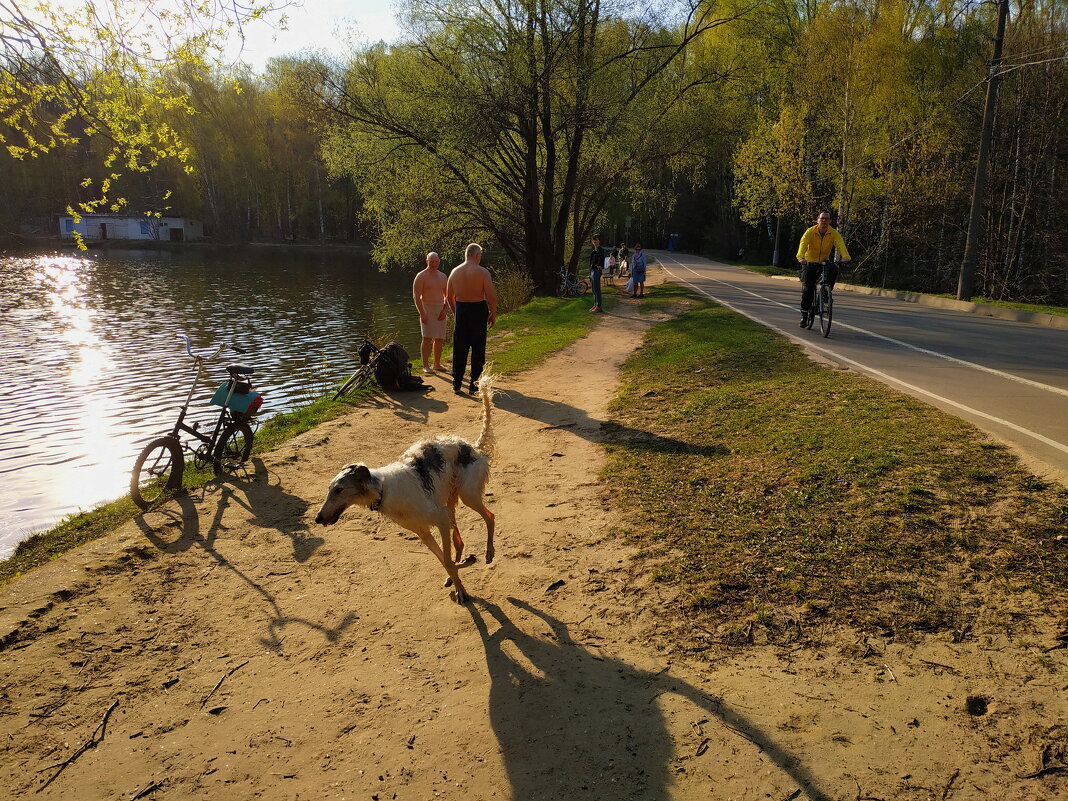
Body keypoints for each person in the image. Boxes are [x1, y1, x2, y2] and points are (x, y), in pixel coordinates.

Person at [446, 243, 498, 395]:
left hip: (461, 308)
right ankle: (474, 384)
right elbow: (491, 298)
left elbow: (449, 296)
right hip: (478, 309)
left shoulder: (454, 272)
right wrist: (493, 313)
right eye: (480, 256)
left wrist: (455, 311)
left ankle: (456, 383)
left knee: (460, 348)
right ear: (476, 255)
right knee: (478, 348)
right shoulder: (482, 272)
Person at [796, 211, 851, 327]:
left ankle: (826, 291)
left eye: (827, 219)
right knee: (808, 288)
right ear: (818, 220)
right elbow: (803, 244)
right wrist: (801, 257)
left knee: (833, 269)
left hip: (823, 262)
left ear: (830, 221)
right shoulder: (810, 232)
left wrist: (845, 257)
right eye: (822, 219)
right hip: (809, 262)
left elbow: (840, 244)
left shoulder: (833, 233)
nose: (824, 221)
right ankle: (804, 315)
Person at [412, 251, 448, 373]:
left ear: (439, 261)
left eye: (436, 261)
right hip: (426, 308)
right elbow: (416, 297)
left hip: (440, 309)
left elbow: (448, 296)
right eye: (431, 262)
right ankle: (425, 365)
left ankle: (437, 364)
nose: (434, 264)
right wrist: (422, 312)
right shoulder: (421, 276)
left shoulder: (443, 276)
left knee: (439, 339)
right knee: (426, 338)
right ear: (427, 261)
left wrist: (445, 310)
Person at [588, 234, 606, 312]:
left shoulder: (600, 250)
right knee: (593, 289)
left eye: (596, 240)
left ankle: (598, 306)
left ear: (599, 241)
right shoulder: (594, 251)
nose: (595, 242)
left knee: (597, 288)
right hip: (592, 270)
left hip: (597, 270)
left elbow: (601, 259)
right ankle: (595, 305)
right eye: (594, 241)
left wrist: (599, 265)